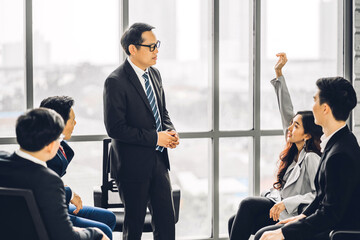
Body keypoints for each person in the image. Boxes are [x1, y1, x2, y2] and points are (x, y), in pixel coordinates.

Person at [228, 53, 323, 240]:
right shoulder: (294, 146)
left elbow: (318, 195)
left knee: (247, 204)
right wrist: (279, 73)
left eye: (296, 126)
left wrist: (287, 203)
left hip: (291, 213)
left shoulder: (312, 158)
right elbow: (286, 109)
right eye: (291, 124)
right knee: (234, 220)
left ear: (307, 135)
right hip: (276, 203)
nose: (289, 128)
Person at [256, 74, 360, 240]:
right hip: (326, 225)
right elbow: (322, 198)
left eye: (314, 100)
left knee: (266, 235)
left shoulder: (340, 154)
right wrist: (301, 217)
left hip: (334, 233)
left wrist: (285, 233)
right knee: (266, 232)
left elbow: (330, 214)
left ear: (325, 108)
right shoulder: (337, 141)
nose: (312, 107)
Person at [103, 22, 179, 240]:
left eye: (157, 45)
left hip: (158, 160)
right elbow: (115, 128)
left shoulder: (155, 74)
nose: (156, 51)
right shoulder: (115, 81)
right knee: (134, 226)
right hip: (131, 164)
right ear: (132, 49)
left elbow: (162, 111)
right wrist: (157, 137)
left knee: (166, 222)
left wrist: (170, 131)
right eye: (151, 47)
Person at [0, 108, 107, 240]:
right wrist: (95, 233)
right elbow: (66, 237)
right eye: (59, 138)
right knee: (100, 234)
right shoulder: (48, 181)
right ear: (51, 145)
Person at [40, 96, 116, 240]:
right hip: (53, 210)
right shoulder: (43, 149)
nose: (75, 123)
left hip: (60, 202)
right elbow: (47, 184)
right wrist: (69, 193)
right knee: (104, 229)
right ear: (59, 122)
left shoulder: (60, 145)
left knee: (109, 218)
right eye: (71, 120)